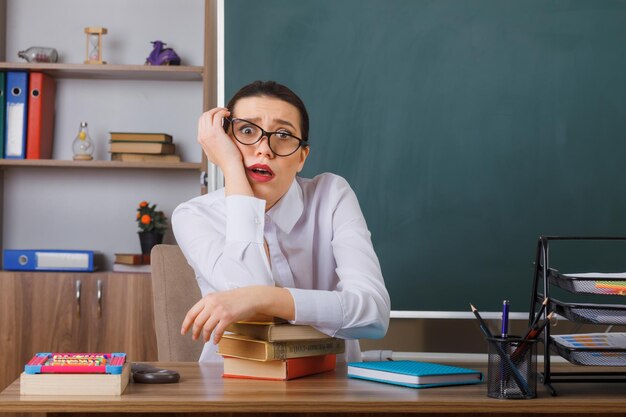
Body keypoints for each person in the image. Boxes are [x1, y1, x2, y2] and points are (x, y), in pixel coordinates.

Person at [172, 80, 390, 362]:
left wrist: (265, 298)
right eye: (247, 131)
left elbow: (373, 314)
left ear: (302, 157)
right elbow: (247, 284)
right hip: (235, 385)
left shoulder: (332, 195)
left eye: (284, 134)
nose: (264, 149)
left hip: (333, 389)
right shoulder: (194, 215)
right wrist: (232, 170)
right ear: (224, 142)